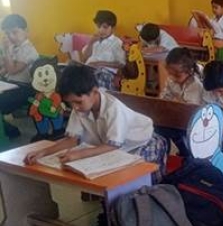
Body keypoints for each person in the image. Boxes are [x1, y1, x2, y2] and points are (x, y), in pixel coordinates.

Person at [23, 64, 168, 177]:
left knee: (133, 178)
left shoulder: (113, 108)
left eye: (78, 102)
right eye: (70, 103)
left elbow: (112, 146)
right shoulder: (79, 108)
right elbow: (72, 140)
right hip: (113, 146)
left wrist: (79, 154)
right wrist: (44, 152)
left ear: (94, 92)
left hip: (143, 143)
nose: (74, 107)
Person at [157, 47, 204, 155]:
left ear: (190, 71)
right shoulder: (172, 80)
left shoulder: (196, 84)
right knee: (158, 126)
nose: (172, 78)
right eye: (170, 74)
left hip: (196, 119)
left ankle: (188, 154)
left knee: (174, 131)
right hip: (181, 116)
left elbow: (190, 109)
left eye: (177, 75)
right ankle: (164, 153)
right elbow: (164, 98)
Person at [0, 14, 39, 137]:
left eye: (14, 32)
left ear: (26, 31)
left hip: (25, 88)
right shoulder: (14, 47)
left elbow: (12, 70)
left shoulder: (28, 50)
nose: (11, 37)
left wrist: (6, 51)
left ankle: (7, 129)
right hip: (11, 85)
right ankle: (7, 128)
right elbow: (4, 69)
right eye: (7, 34)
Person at [82, 10, 125, 90]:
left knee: (92, 81)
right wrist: (91, 43)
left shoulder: (117, 42)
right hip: (88, 70)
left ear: (113, 28)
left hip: (104, 73)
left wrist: (100, 63)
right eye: (98, 27)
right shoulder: (94, 39)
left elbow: (121, 64)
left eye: (105, 27)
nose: (101, 30)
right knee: (68, 72)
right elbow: (84, 59)